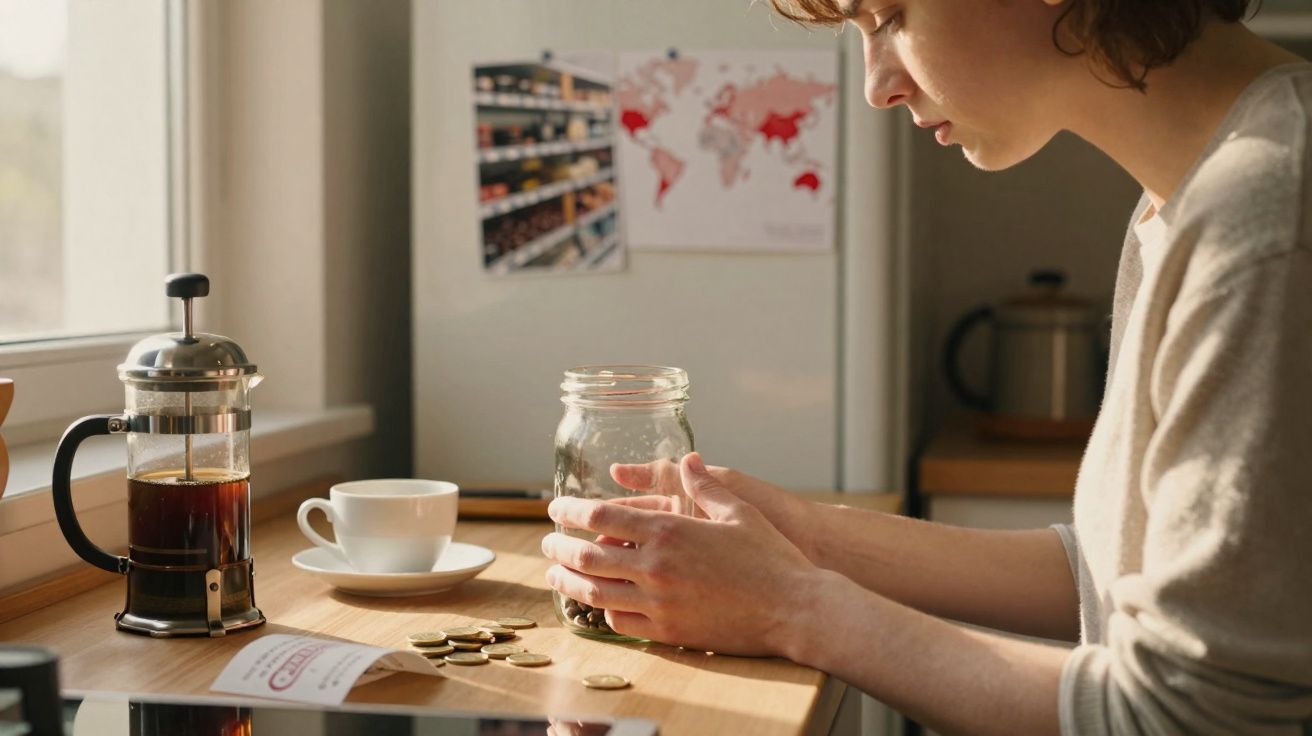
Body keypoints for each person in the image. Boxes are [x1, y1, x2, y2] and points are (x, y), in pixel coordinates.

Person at [541, 1, 1312, 733]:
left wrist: (792, 607)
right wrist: (804, 538)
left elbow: (1185, 718)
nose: (877, 87)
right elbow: (1112, 574)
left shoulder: (1266, 218)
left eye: (889, 18)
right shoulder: (1190, 193)